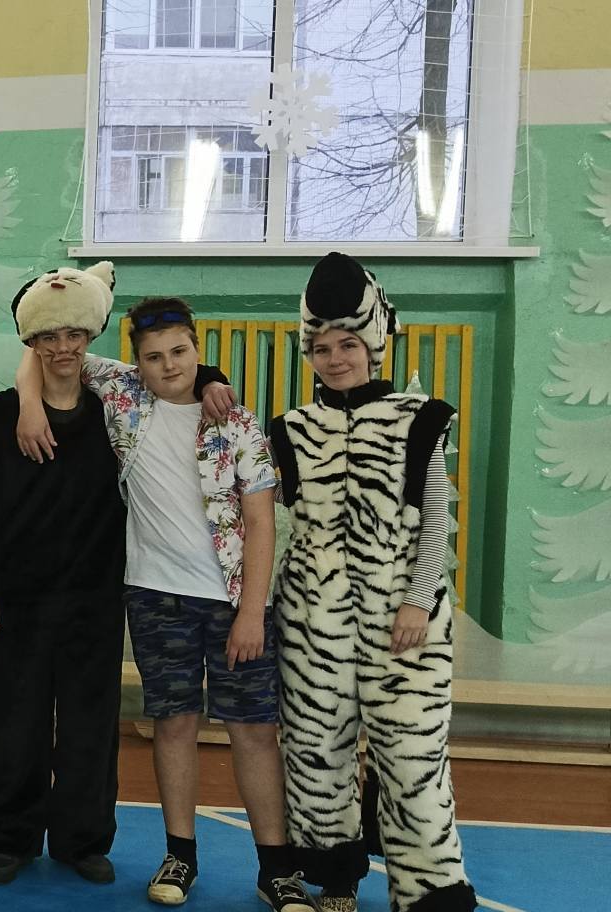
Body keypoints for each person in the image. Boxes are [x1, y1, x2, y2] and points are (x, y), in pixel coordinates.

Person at [42, 294, 318, 910]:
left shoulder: (237, 423)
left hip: (234, 605)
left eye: (180, 352)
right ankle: (179, 855)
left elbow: (261, 522)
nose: (169, 365)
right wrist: (31, 406)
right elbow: (46, 353)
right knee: (173, 725)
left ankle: (276, 868)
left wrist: (252, 611)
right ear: (135, 362)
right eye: (153, 356)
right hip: (156, 598)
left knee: (254, 731)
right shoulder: (124, 398)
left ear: (198, 349)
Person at [267, 253, 476, 912]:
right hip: (313, 623)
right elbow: (279, 527)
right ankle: (336, 877)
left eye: (348, 344)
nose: (335, 359)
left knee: (413, 758)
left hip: (405, 622)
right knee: (316, 755)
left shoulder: (421, 418)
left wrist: (418, 601)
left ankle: (429, 892)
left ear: (374, 343)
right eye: (322, 347)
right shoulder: (291, 430)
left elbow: (436, 520)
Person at [0, 265, 130, 889]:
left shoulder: (116, 412)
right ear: (31, 343)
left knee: (91, 725)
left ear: (90, 336)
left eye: (74, 335)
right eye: (49, 337)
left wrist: (215, 379)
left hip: (94, 597)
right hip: (16, 599)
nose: (63, 348)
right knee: (16, 724)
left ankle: (82, 839)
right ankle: (9, 837)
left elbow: (181, 376)